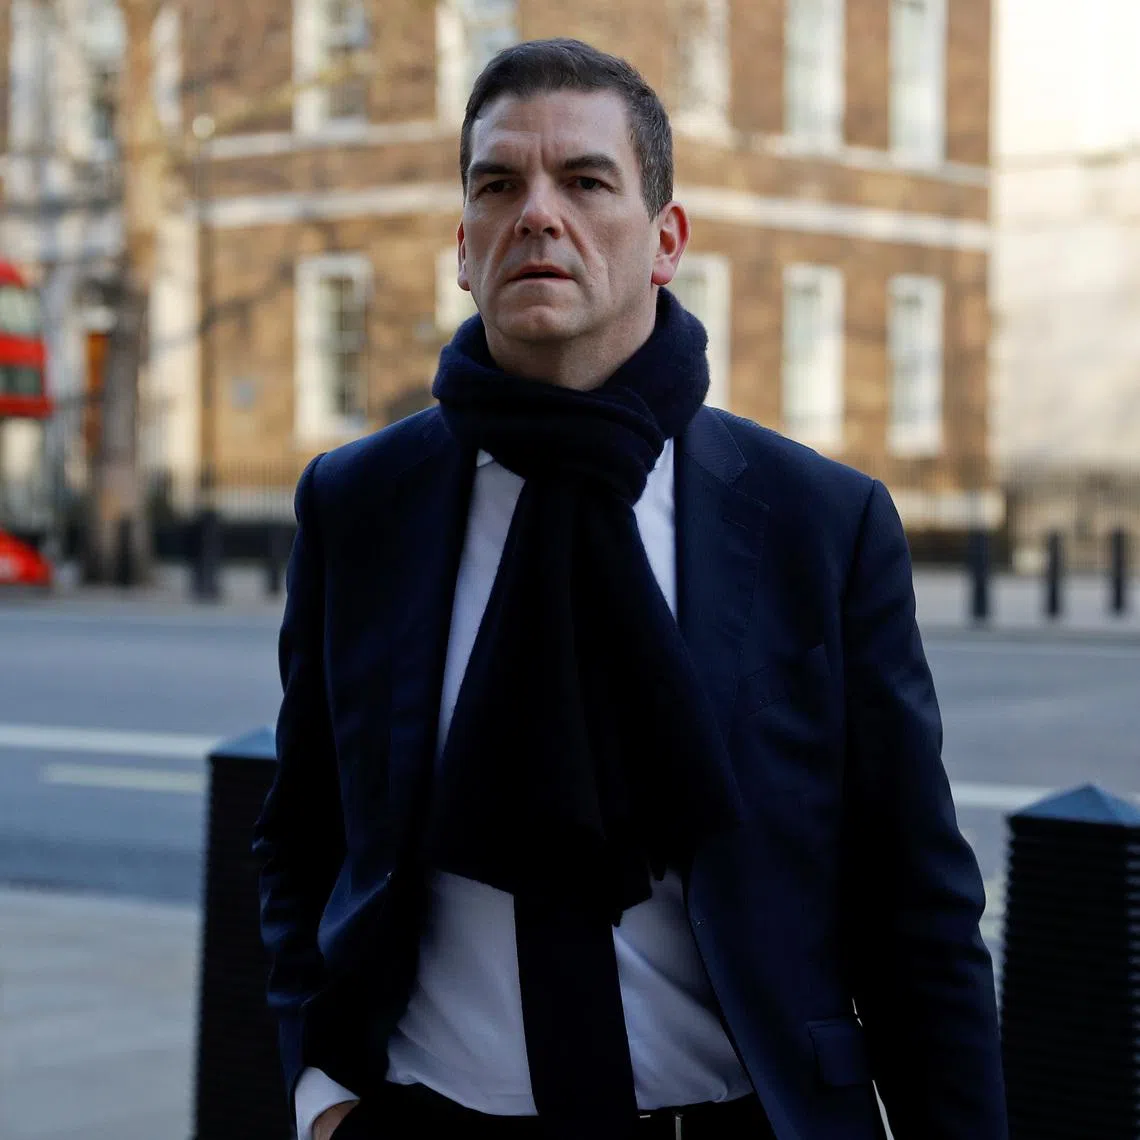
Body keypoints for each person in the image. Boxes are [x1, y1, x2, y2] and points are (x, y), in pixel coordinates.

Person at [253, 38, 1007, 1140]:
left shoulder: (818, 524)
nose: (538, 214)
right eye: (499, 184)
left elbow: (916, 905)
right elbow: (303, 831)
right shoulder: (359, 505)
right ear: (464, 248)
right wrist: (321, 1094)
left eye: (586, 180)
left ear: (666, 239)